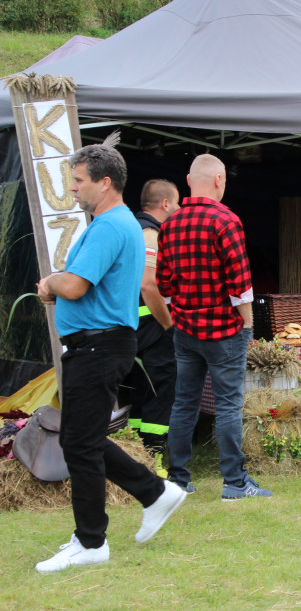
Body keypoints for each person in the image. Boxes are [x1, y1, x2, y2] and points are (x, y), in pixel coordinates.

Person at [35, 145, 186, 573]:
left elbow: (77, 285)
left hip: (98, 346)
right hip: (101, 344)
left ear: (105, 182)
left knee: (79, 442)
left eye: (78, 179)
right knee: (80, 439)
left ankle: (92, 541)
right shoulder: (117, 223)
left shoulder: (107, 226)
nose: (72, 187)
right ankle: (154, 493)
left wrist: (50, 282)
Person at [157, 154, 271, 501]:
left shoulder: (170, 224)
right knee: (227, 406)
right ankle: (234, 483)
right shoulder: (226, 221)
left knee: (184, 404)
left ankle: (177, 479)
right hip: (224, 330)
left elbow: (163, 285)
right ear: (219, 180)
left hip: (186, 328)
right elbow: (240, 283)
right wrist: (248, 324)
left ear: (189, 181)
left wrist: (179, 313)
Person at [121, 179, 179, 461]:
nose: (178, 208)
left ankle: (135, 456)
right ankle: (154, 459)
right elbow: (148, 285)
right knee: (159, 392)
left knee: (139, 393)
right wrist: (168, 325)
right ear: (165, 203)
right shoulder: (150, 234)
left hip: (132, 330)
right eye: (176, 202)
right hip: (152, 331)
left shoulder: (129, 229)